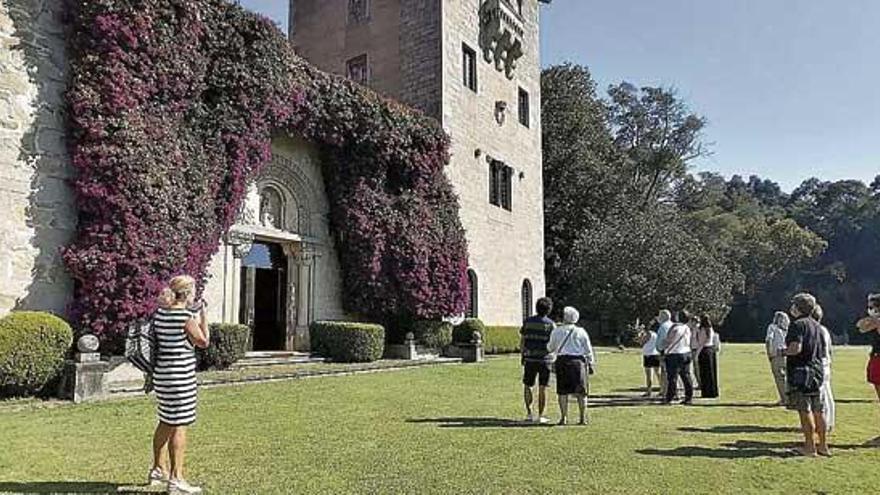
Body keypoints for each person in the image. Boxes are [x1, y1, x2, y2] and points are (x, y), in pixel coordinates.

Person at [148, 275, 210, 493]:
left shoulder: (160, 315)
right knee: (179, 424)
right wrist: (203, 315)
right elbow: (203, 341)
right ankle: (176, 478)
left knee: (165, 420)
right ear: (188, 293)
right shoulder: (185, 316)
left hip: (163, 375)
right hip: (180, 377)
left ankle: (157, 468)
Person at [785, 292, 829, 457]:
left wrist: (782, 351)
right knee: (819, 410)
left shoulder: (797, 325)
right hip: (817, 370)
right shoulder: (818, 326)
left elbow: (795, 348)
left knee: (805, 410)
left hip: (801, 371)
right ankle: (823, 445)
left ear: (798, 307)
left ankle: (809, 447)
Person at [547, 306, 594, 425]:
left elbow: (550, 347)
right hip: (578, 363)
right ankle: (582, 418)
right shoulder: (581, 331)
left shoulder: (557, 331)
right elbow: (588, 349)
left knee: (562, 392)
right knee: (581, 392)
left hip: (562, 361)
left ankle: (564, 418)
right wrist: (591, 362)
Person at [520, 297, 555, 424]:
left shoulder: (527, 322)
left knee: (528, 385)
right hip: (545, 359)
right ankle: (541, 415)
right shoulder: (551, 324)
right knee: (543, 387)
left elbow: (523, 340)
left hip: (530, 358)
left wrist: (522, 354)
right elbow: (553, 343)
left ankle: (529, 413)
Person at [856, 293, 880, 441]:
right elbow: (860, 326)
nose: (869, 309)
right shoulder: (875, 321)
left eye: (872, 307)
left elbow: (863, 326)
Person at [663, 310, 694, 405]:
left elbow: (668, 340)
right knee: (686, 376)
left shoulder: (675, 327)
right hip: (686, 352)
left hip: (674, 353)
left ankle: (670, 397)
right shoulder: (687, 328)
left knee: (672, 377)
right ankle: (689, 397)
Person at [812, 305, 835, 432]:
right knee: (827, 393)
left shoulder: (816, 330)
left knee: (821, 396)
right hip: (826, 363)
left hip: (819, 364)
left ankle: (824, 423)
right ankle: (829, 421)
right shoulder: (824, 330)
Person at [765, 311, 790, 405]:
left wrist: (769, 353)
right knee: (786, 378)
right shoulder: (786, 330)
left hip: (776, 355)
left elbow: (769, 340)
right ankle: (788, 398)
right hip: (786, 354)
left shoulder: (772, 327)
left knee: (779, 378)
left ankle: (784, 399)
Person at [695, 315, 719, 399]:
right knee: (712, 372)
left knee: (704, 372)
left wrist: (697, 353)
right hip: (711, 350)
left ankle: (706, 392)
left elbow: (701, 342)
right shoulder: (711, 329)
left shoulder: (702, 330)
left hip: (704, 350)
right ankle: (713, 391)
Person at [654, 309, 674, 397]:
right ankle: (668, 390)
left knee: (664, 372)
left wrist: (659, 349)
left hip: (665, 351)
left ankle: (665, 390)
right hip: (674, 351)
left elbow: (660, 341)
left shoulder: (663, 327)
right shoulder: (673, 325)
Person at [639, 327, 661, 397]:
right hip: (655, 354)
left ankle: (649, 391)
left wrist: (640, 336)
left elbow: (642, 342)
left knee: (649, 374)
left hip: (648, 355)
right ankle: (662, 389)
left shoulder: (648, 334)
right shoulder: (656, 334)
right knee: (658, 373)